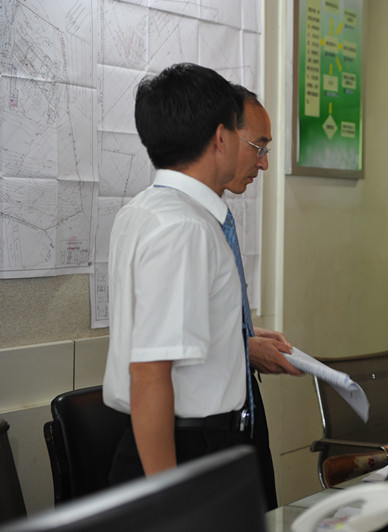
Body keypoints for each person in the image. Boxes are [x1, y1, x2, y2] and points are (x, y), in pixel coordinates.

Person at [103, 63, 251, 484]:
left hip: (167, 443)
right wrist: (169, 498)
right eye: (238, 130)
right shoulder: (185, 227)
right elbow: (150, 372)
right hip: (180, 451)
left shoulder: (144, 209)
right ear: (221, 137)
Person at [226, 84, 303, 509]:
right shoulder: (175, 225)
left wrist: (248, 335)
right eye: (258, 147)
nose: (265, 163)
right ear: (220, 137)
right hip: (202, 436)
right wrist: (242, 348)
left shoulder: (219, 215)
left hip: (241, 419)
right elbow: (164, 348)